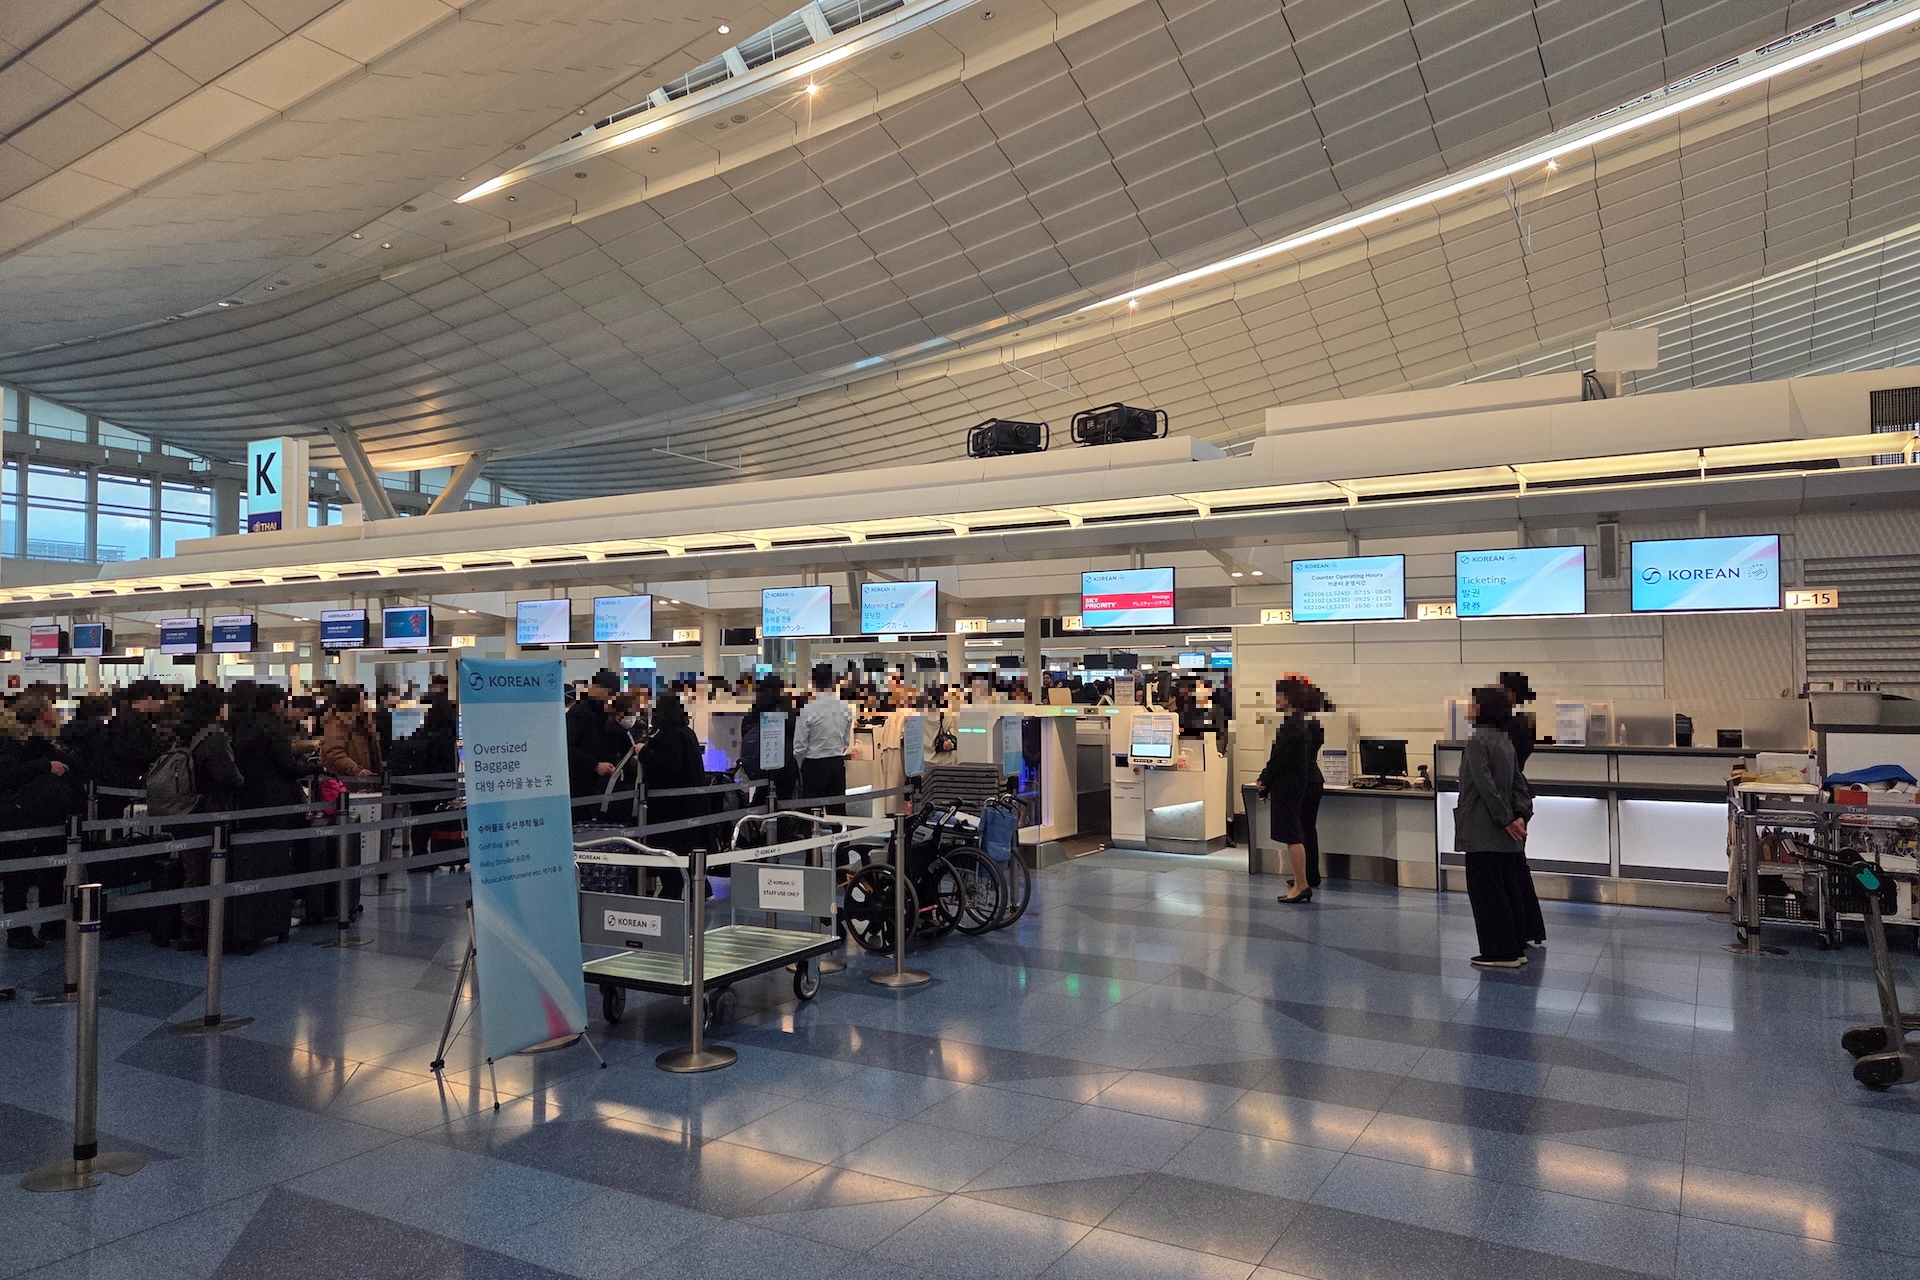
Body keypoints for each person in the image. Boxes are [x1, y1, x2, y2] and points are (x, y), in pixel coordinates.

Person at [1456, 685, 1535, 969]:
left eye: (1472, 703)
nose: (1468, 708)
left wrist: (1505, 819)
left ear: (1483, 708)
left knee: (1486, 893)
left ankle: (1499, 952)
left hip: (1483, 829)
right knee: (1507, 890)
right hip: (1505, 834)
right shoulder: (1504, 741)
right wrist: (1520, 815)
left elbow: (1484, 785)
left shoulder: (1477, 742)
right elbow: (1518, 784)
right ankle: (1514, 947)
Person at [0, 694, 79, 949]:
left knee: (47, 871)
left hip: (42, 816)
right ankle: (19, 930)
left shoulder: (36, 741)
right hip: (22, 818)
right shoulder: (15, 742)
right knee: (19, 875)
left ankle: (48, 923)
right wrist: (46, 766)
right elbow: (8, 775)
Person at [173, 683, 246, 951]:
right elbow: (227, 776)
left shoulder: (183, 733)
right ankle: (210, 929)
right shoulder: (214, 736)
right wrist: (241, 780)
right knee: (212, 872)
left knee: (193, 872)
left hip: (185, 810)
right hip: (211, 813)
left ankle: (189, 928)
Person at [636, 692, 708, 898]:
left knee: (671, 860)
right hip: (689, 808)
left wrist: (644, 752)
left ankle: (671, 898)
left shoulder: (671, 736)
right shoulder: (687, 733)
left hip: (671, 810)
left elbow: (669, 766)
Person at [1257, 676, 1322, 904]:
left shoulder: (1291, 725)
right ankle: (1300, 881)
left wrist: (1264, 779)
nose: (1276, 699)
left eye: (1278, 695)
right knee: (1298, 833)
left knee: (1293, 836)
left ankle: (1301, 884)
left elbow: (1279, 758)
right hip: (1297, 784)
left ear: (1287, 697)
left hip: (1287, 785)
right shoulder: (1302, 723)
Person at [1498, 671, 1548, 949]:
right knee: (1517, 865)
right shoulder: (1524, 724)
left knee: (1509, 868)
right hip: (1519, 798)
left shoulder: (1503, 728)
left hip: (1507, 799)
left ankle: (1517, 930)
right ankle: (1528, 928)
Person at [793, 663, 853, 814]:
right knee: (837, 811)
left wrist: (800, 765)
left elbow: (799, 745)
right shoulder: (845, 707)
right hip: (837, 763)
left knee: (811, 812)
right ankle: (840, 830)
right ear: (833, 682)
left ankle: (812, 830)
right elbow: (846, 742)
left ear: (813, 682)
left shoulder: (807, 708)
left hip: (813, 764)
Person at [567, 671, 633, 804]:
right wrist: (595, 765)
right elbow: (566, 747)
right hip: (580, 784)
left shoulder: (601, 713)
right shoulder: (581, 711)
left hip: (598, 783)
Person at [320, 686, 382, 784]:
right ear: (353, 703)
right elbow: (333, 753)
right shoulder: (337, 723)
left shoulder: (363, 722)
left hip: (368, 781)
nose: (366, 703)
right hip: (347, 783)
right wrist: (355, 769)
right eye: (364, 700)